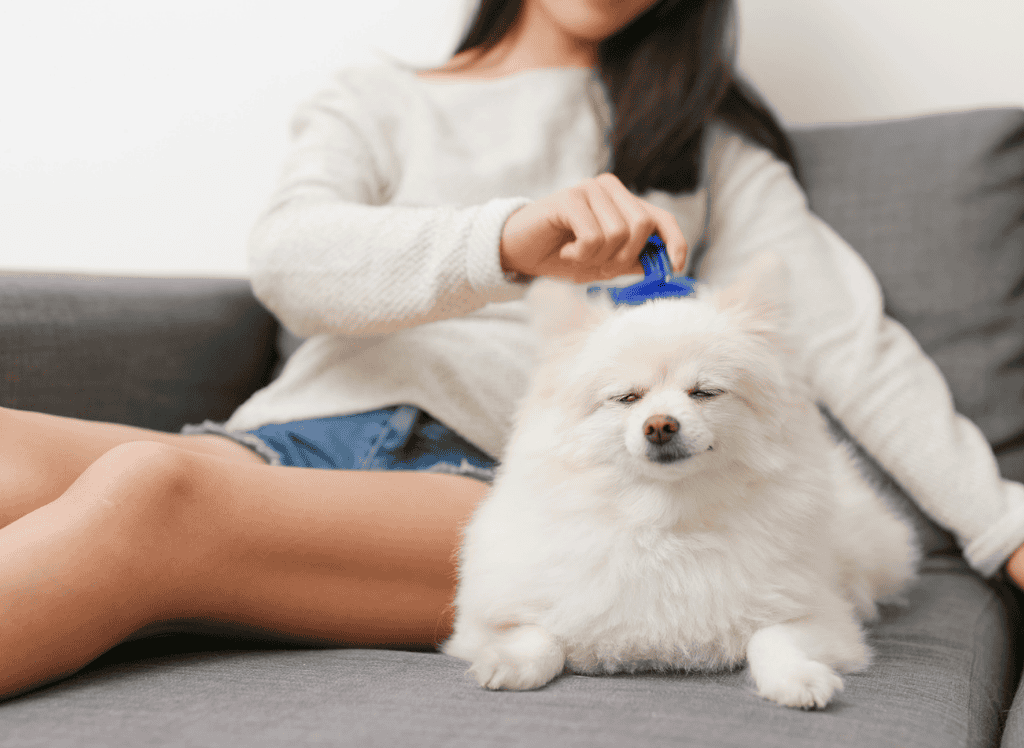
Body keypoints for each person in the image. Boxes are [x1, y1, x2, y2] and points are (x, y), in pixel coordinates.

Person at [0, 0, 1022, 714]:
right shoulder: (376, 97)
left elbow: (845, 340)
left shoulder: (698, 149)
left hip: (483, 482)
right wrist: (504, 243)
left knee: (150, 491)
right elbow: (288, 263)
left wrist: (1002, 526)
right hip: (280, 446)